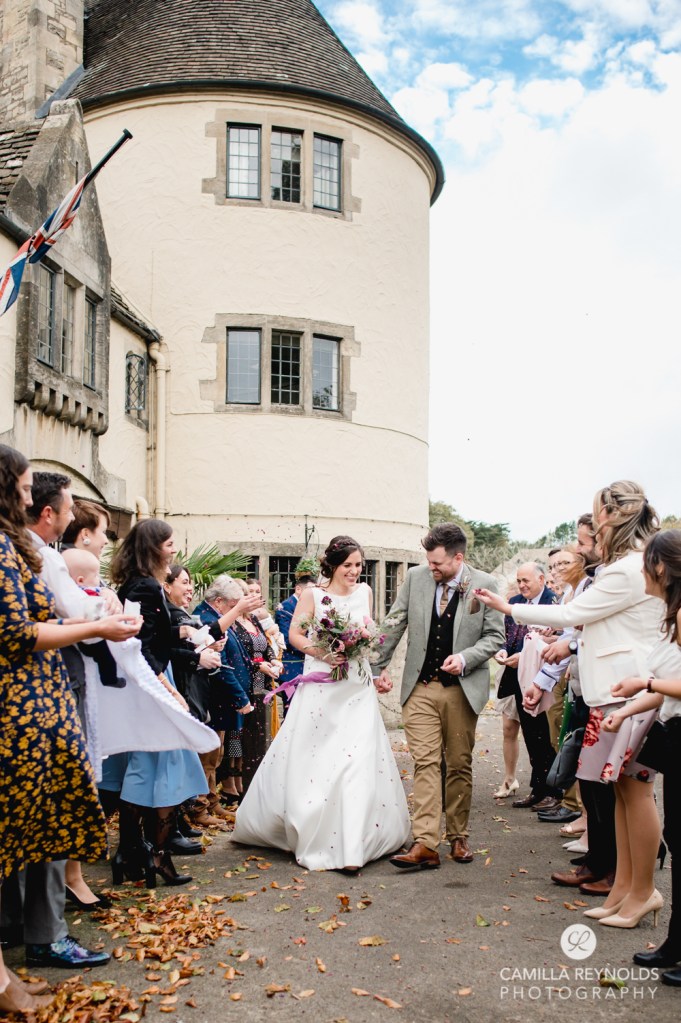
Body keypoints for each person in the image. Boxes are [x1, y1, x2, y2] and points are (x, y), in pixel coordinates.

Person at [477, 481, 663, 920]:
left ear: (610, 516)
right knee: (618, 792)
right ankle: (621, 889)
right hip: (610, 693)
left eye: (595, 513)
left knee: (634, 793)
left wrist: (508, 607)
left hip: (626, 694)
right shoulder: (629, 566)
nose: (593, 524)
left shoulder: (625, 570)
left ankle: (643, 892)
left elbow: (569, 616)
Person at [0, 445, 142, 1013]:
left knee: (37, 826)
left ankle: (15, 963)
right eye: (25, 484)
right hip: (17, 711)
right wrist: (100, 626)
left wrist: (89, 622)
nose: (31, 495)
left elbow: (41, 621)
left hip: (41, 705)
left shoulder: (18, 549)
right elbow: (16, 633)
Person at [232, 535, 410, 872]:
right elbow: (296, 636)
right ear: (333, 565)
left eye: (359, 565)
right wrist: (324, 653)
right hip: (323, 685)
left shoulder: (366, 593)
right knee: (319, 757)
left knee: (356, 760)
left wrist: (372, 666)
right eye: (348, 565)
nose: (355, 572)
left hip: (356, 685)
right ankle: (311, 825)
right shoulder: (314, 594)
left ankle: (355, 841)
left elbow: (367, 632)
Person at [373, 522, 505, 869]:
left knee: (459, 764)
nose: (431, 568)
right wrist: (375, 666)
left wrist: (465, 658)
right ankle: (426, 843)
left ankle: (457, 836)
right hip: (421, 687)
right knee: (426, 762)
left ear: (458, 557)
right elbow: (394, 622)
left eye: (438, 564)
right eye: (428, 561)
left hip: (461, 691)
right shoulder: (416, 578)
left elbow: (495, 637)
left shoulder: (485, 585)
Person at [108, 519, 209, 887]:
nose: (174, 550)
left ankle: (132, 851)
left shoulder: (136, 584)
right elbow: (143, 646)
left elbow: (155, 636)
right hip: (151, 686)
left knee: (141, 772)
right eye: (168, 544)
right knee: (164, 773)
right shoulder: (148, 587)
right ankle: (155, 855)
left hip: (146, 684)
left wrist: (190, 633)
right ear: (153, 547)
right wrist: (169, 689)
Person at [602, 530, 681, 986]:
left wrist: (643, 686)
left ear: (661, 568)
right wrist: (627, 710)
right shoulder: (670, 617)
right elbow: (660, 686)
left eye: (645, 564)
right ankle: (676, 941)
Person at [494, 562, 561, 812]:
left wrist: (524, 656)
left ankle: (553, 791)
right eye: (519, 581)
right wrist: (503, 651)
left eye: (526, 581)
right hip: (517, 678)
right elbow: (507, 635)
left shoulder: (553, 602)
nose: (522, 585)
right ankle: (538, 789)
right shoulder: (515, 602)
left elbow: (559, 640)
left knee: (547, 737)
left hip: (545, 679)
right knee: (532, 737)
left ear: (541, 579)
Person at [274, 574, 315, 714]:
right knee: (291, 707)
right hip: (291, 666)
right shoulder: (285, 608)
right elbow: (288, 640)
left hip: (308, 665)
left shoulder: (312, 607)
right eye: (310, 590)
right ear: (298, 589)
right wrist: (316, 649)